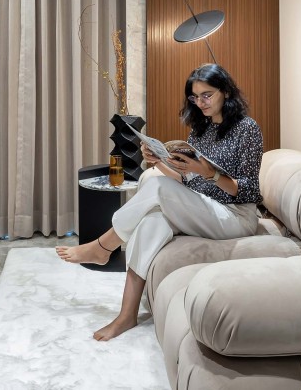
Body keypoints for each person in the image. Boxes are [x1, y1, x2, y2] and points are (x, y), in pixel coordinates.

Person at [55, 63, 264, 340]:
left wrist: (209, 173)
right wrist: (157, 161)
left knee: (156, 187)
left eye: (207, 95)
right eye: (195, 97)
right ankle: (126, 315)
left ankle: (102, 246)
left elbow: (249, 190)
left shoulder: (247, 129)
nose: (200, 102)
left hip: (236, 216)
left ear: (225, 91)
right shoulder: (200, 129)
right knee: (151, 219)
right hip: (204, 206)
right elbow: (186, 181)